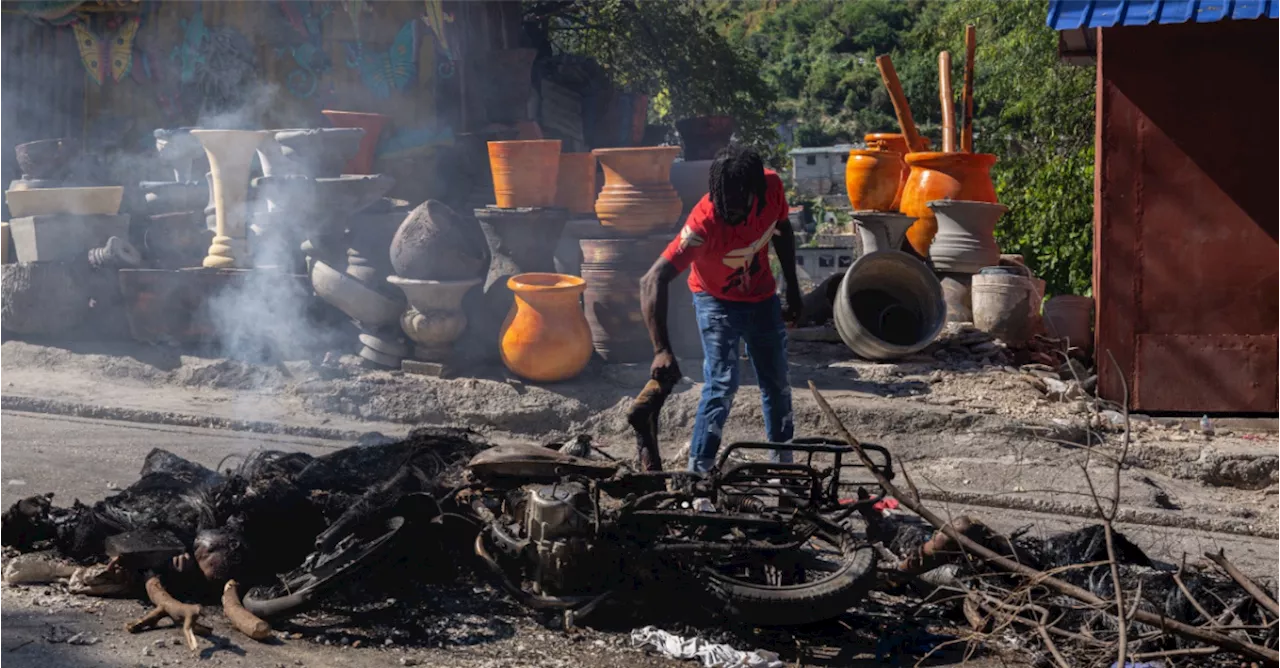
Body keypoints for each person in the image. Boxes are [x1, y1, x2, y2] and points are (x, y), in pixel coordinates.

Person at [640, 144, 803, 473]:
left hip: (762, 299)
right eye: (722, 202)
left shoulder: (771, 188)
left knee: (776, 384)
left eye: (736, 204)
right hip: (715, 301)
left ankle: (783, 471)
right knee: (721, 384)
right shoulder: (704, 224)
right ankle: (698, 474)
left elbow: (783, 231)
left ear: (754, 191)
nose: (727, 211)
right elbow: (652, 279)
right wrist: (661, 350)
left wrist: (793, 290)